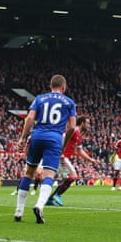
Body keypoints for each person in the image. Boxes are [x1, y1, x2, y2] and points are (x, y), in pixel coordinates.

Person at [14, 74, 77, 224]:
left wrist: (22, 138)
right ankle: (39, 205)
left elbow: (29, 118)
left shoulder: (40, 98)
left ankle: (18, 210)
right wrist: (64, 144)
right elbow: (72, 127)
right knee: (49, 174)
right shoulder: (69, 102)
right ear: (63, 87)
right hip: (54, 139)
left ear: (50, 86)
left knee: (29, 173)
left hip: (37, 136)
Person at [47, 115, 97, 206]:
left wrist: (90, 160)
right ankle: (56, 195)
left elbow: (80, 150)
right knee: (73, 176)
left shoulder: (78, 134)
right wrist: (60, 152)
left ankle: (51, 198)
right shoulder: (73, 131)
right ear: (82, 123)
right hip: (62, 156)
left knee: (67, 178)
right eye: (88, 123)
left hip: (64, 156)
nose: (89, 125)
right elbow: (62, 137)